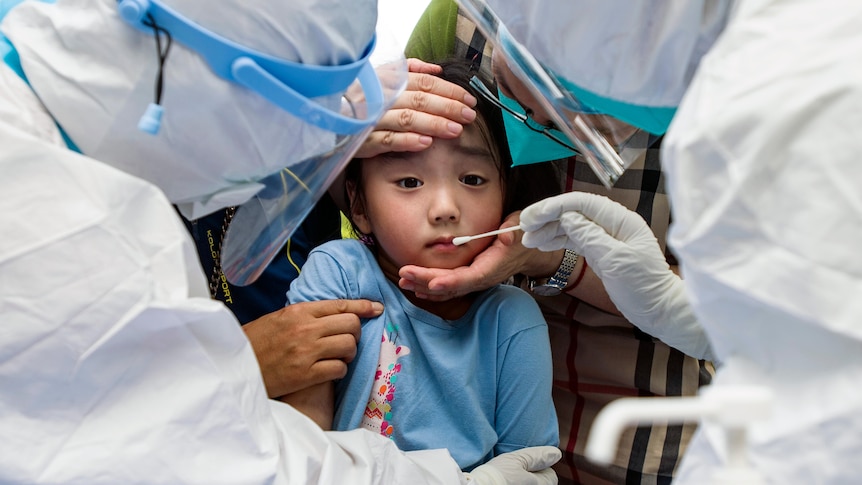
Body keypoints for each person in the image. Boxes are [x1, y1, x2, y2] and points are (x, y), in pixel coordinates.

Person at [0, 0, 562, 482]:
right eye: (294, 120)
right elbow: (231, 457)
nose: (443, 208)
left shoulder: (80, 123)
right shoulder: (54, 220)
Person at [463, 0, 862, 482]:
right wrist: (680, 311)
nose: (533, 123)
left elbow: (816, 363)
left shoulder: (793, 101)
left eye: (560, 107)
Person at [387, 1, 715, 483]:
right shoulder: (457, 24)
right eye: (515, 90)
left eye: (573, 113)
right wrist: (353, 123)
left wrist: (560, 263)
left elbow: (750, 319)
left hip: (653, 445)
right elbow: (373, 186)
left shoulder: (748, 96)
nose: (531, 121)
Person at [282, 60, 561, 471]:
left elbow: (528, 465)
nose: (445, 209)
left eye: (472, 179)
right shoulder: (339, 274)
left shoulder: (512, 319)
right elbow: (303, 449)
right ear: (358, 206)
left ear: (507, 195)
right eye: (410, 182)